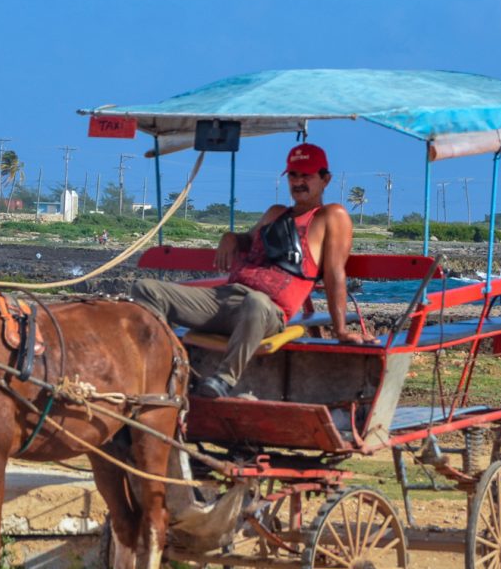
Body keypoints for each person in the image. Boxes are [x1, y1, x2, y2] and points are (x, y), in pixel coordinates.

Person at [131, 142, 367, 399]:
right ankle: (159, 371)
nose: (298, 182)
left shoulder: (332, 215)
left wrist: (341, 330)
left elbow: (334, 273)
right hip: (226, 299)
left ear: (325, 179)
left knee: (255, 302)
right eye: (293, 175)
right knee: (146, 289)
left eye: (306, 175)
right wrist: (231, 237)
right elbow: (248, 239)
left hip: (267, 312)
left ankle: (223, 379)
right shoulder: (276, 213)